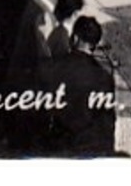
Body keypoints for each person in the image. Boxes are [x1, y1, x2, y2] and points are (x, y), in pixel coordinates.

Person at [37, 17, 116, 156]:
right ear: (94, 43)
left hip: (60, 150)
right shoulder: (105, 77)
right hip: (91, 150)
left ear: (75, 38)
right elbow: (107, 124)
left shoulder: (55, 68)